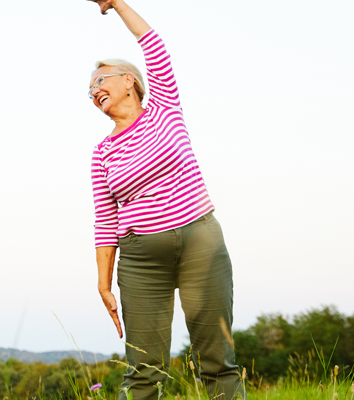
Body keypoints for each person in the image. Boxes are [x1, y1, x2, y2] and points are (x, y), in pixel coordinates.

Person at [86, 1, 244, 399]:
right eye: (89, 89)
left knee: (217, 360)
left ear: (129, 81)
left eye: (100, 80)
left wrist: (115, 3)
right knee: (143, 370)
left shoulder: (164, 108)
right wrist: (104, 283)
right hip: (141, 259)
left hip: (199, 242)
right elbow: (105, 220)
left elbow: (152, 42)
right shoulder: (102, 153)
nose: (94, 90)